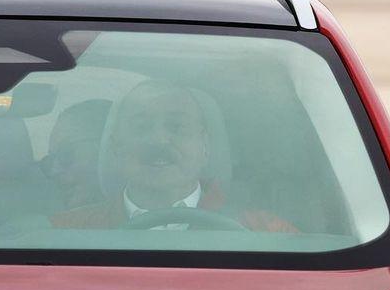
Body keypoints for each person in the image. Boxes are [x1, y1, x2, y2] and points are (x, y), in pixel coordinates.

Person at [52, 80, 295, 232]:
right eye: (141, 127)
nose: (158, 140)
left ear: (205, 146)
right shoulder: (64, 233)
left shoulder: (265, 233)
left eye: (177, 127)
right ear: (116, 147)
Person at [40, 98, 112, 210]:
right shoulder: (46, 221)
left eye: (65, 154)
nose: (54, 171)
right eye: (49, 161)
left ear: (107, 146)